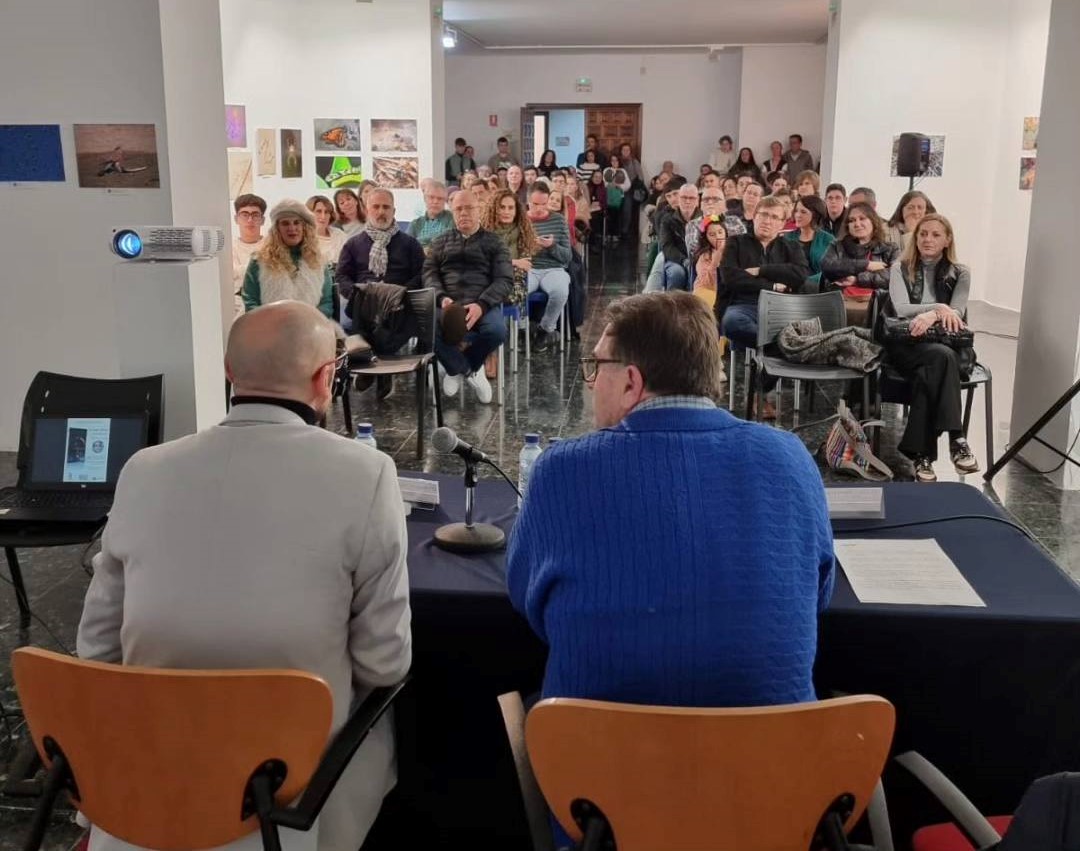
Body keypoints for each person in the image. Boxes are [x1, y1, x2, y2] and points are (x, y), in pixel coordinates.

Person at [77, 300, 412, 851]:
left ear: (230, 373)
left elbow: (96, 646)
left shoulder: (143, 470)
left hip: (148, 783)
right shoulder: (367, 473)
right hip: (288, 794)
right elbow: (385, 662)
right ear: (325, 378)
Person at [507, 291, 834, 709]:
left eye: (596, 366)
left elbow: (528, 601)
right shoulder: (791, 459)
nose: (591, 382)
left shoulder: (560, 471)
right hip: (774, 748)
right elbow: (817, 596)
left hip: (596, 749)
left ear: (631, 382)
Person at [884, 214, 977, 482]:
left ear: (947, 240)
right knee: (941, 359)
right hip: (907, 344)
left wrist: (932, 315)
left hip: (943, 344)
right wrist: (939, 308)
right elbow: (902, 309)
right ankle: (957, 438)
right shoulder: (899, 268)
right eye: (923, 234)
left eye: (936, 235)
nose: (927, 239)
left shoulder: (961, 272)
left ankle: (922, 456)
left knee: (930, 372)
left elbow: (957, 311)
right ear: (915, 238)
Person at [719, 195, 810, 419]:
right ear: (754, 216)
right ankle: (780, 346)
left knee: (790, 333)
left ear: (782, 223)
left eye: (774, 217)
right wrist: (773, 285)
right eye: (763, 215)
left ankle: (758, 393)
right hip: (744, 305)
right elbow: (731, 278)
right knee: (732, 322)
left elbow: (800, 274)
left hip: (781, 308)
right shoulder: (736, 243)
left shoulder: (791, 246)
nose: (767, 221)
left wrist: (761, 270)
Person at [423, 190, 512, 404]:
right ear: (452, 212)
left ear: (479, 209)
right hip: (447, 304)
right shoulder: (440, 242)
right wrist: (442, 298)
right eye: (458, 209)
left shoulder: (495, 242)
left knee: (497, 331)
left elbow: (504, 280)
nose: (463, 213)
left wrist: (482, 304)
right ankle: (465, 370)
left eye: (469, 208)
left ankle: (461, 366)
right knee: (425, 328)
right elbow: (428, 274)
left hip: (482, 303)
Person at [336, 189, 426, 397]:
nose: (381, 211)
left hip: (399, 302)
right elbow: (342, 276)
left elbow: (421, 274)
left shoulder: (410, 244)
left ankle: (370, 364)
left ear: (394, 211)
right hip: (362, 301)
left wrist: (401, 293)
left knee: (400, 320)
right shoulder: (353, 244)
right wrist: (355, 293)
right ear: (367, 210)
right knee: (356, 318)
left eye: (386, 207)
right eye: (376, 207)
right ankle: (382, 370)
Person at [243, 199, 334, 318]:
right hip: (269, 326)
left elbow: (326, 302)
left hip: (311, 326)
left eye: (296, 223)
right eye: (285, 223)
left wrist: (308, 320)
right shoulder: (259, 261)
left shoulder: (319, 261)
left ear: (304, 227)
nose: (292, 228)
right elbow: (250, 301)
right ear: (277, 229)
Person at [481, 189, 536, 378]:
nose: (506, 211)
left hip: (513, 284)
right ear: (494, 209)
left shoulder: (523, 232)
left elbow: (524, 266)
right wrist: (512, 262)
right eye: (502, 207)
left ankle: (489, 353)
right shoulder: (484, 232)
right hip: (488, 282)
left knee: (489, 298)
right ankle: (488, 350)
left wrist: (502, 264)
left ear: (516, 210)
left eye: (510, 208)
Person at [525, 183, 572, 352]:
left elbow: (567, 257)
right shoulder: (521, 219)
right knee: (517, 290)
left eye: (544, 204)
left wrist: (551, 246)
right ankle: (522, 330)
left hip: (553, 268)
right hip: (528, 267)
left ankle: (544, 330)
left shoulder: (558, 220)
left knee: (560, 291)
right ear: (528, 201)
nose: (540, 209)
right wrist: (530, 248)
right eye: (535, 204)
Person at [819, 201, 900, 293]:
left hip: (878, 300)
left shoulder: (890, 249)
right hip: (841, 299)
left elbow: (896, 277)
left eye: (862, 219)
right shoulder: (837, 246)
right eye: (852, 220)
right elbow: (827, 266)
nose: (857, 224)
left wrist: (857, 280)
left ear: (873, 221)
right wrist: (866, 265)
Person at [784, 195, 836, 290]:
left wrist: (809, 281)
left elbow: (832, 270)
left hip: (819, 289)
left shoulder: (828, 240)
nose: (798, 215)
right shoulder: (787, 237)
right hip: (790, 288)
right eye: (796, 211)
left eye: (803, 212)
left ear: (815, 215)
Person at [685, 184, 744, 261]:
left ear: (724, 205)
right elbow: (694, 253)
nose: (710, 202)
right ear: (701, 205)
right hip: (705, 263)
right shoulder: (692, 224)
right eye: (706, 200)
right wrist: (707, 221)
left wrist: (716, 219)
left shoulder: (734, 221)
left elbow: (742, 247)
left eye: (715, 199)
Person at [658, 183, 699, 291]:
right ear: (679, 199)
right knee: (677, 273)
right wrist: (684, 260)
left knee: (699, 271)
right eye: (684, 197)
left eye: (691, 198)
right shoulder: (668, 220)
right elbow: (667, 246)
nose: (687, 201)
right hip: (675, 260)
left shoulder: (705, 219)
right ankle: (672, 301)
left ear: (697, 200)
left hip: (699, 260)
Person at [231, 193, 266, 321]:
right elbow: (230, 275)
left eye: (255, 215)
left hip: (265, 302)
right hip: (235, 304)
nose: (250, 220)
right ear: (236, 219)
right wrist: (258, 266)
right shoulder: (229, 248)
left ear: (262, 220)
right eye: (245, 214)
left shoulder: (272, 245)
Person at [408, 180, 454, 250]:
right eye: (431, 197)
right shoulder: (415, 224)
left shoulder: (451, 219)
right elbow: (406, 247)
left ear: (445, 201)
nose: (435, 202)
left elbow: (449, 244)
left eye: (440, 199)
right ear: (425, 199)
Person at [693, 215, 728, 304]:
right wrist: (714, 263)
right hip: (707, 291)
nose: (718, 236)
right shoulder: (704, 256)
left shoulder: (734, 250)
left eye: (720, 232)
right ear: (706, 238)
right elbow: (706, 283)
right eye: (712, 235)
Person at [307, 195, 348, 269]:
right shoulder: (302, 239)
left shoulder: (340, 235)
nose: (323, 216)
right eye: (318, 211)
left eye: (326, 212)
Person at [602, 154, 631, 241]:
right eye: (612, 160)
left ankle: (616, 234)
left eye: (616, 160)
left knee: (617, 216)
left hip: (619, 197)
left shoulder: (622, 171)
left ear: (619, 161)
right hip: (608, 196)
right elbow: (604, 182)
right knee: (608, 216)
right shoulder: (607, 170)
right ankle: (607, 234)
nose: (614, 162)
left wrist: (619, 186)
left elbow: (628, 184)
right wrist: (610, 184)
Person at [586, 169, 607, 242]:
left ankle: (593, 239)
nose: (598, 179)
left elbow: (605, 203)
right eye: (596, 177)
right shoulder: (586, 187)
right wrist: (589, 205)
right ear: (592, 177)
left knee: (594, 216)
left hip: (599, 210)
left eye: (600, 177)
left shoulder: (603, 189)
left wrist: (599, 204)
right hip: (587, 208)